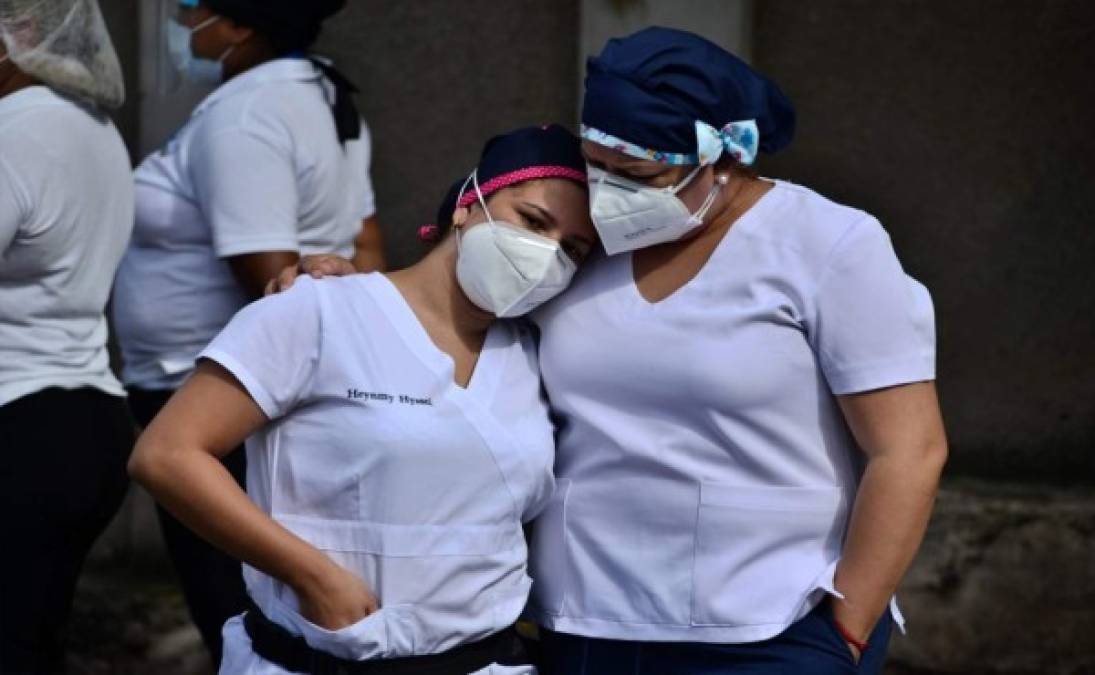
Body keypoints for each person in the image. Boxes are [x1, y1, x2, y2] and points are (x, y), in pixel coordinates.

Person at [280, 27, 949, 675]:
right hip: (585, 623)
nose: (609, 192)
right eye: (596, 165)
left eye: (636, 172)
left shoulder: (829, 246)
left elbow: (909, 450)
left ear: (722, 158)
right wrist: (351, 290)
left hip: (773, 625)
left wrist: (846, 626)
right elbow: (461, 305)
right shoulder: (584, 244)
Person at [128, 125, 596, 675]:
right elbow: (166, 456)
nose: (545, 256)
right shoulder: (320, 312)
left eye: (571, 249)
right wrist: (312, 575)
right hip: (317, 658)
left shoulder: (537, 355)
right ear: (468, 205)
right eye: (532, 221)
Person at [110, 0, 383, 663]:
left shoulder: (248, 114)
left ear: (239, 25)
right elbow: (367, 242)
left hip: (213, 398)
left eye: (194, 9)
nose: (179, 23)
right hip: (260, 392)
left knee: (228, 596)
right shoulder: (316, 91)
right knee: (258, 595)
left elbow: (266, 274)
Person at [0, 1, 135, 672]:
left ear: (19, 34)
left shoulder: (12, 132)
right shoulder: (95, 128)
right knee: (32, 636)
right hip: (89, 419)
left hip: (19, 422)